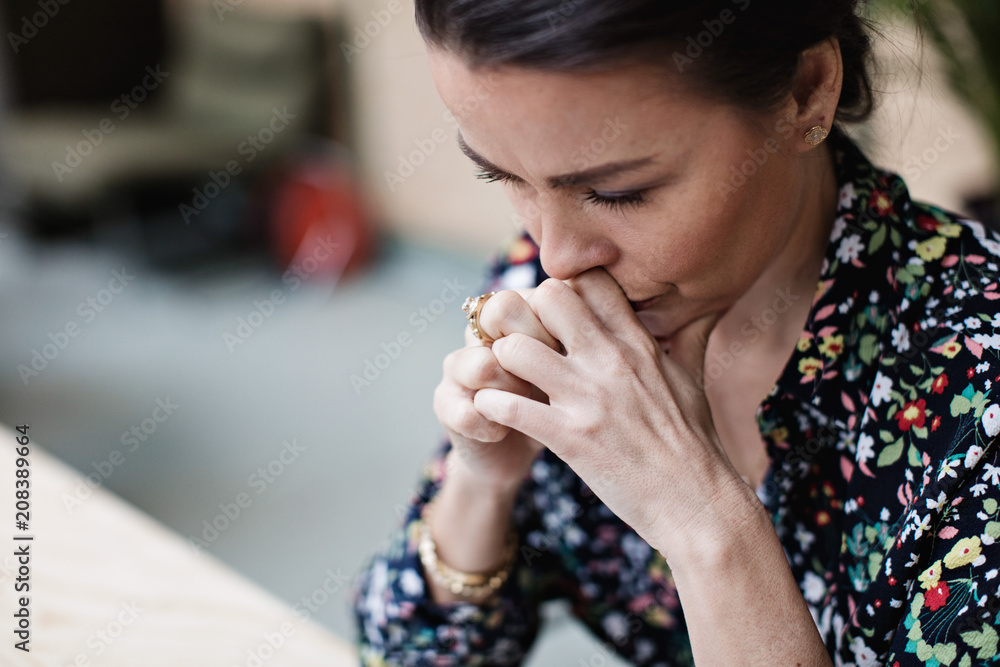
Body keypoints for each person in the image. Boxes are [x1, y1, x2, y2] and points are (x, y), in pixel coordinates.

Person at [351, 1, 1000, 664]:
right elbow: (406, 651)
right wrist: (482, 482)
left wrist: (701, 520)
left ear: (805, 93)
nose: (557, 255)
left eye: (619, 192)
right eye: (504, 176)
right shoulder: (545, 286)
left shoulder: (979, 390)